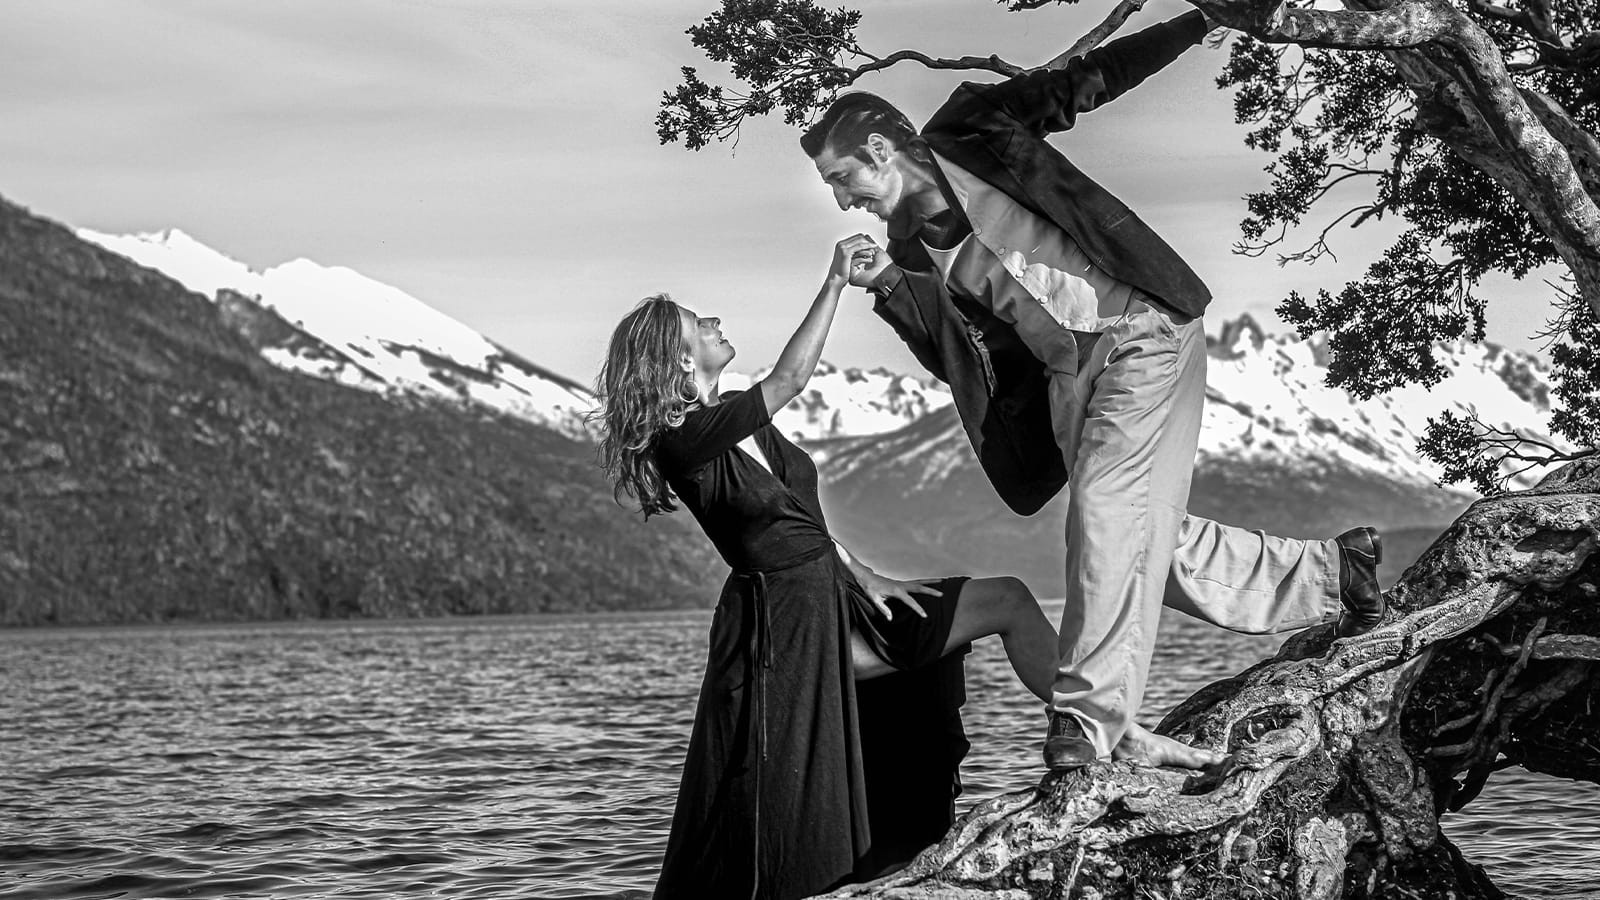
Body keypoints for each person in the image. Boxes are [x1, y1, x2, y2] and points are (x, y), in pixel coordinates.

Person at [798, 10, 1386, 773]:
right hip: (1065, 379)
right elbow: (958, 356)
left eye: (843, 179)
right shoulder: (910, 248)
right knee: (1117, 536)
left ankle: (1088, 721)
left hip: (1141, 328)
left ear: (880, 150)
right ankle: (1336, 574)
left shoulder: (973, 128)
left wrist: (1203, 19)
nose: (844, 201)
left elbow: (1087, 82)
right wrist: (887, 286)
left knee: (1109, 516)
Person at [593, 236, 1060, 899]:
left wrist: (869, 577)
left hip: (838, 603)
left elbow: (802, 524)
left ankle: (1090, 726)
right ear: (675, 358)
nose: (716, 323)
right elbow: (789, 380)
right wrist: (836, 283)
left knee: (1007, 598)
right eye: (700, 325)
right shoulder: (686, 440)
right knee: (1004, 602)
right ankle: (1093, 727)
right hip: (790, 635)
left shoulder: (741, 424)